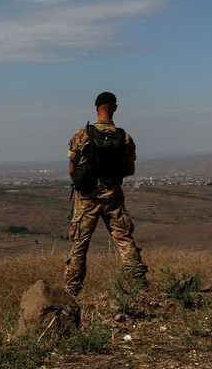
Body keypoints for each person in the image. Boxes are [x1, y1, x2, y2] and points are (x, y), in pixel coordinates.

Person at [64, 92, 148, 296]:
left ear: (96, 109)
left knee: (80, 246)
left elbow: (72, 170)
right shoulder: (124, 137)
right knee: (125, 241)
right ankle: (140, 287)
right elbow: (130, 170)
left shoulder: (82, 135)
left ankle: (71, 292)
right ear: (115, 108)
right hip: (113, 199)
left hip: (86, 201)